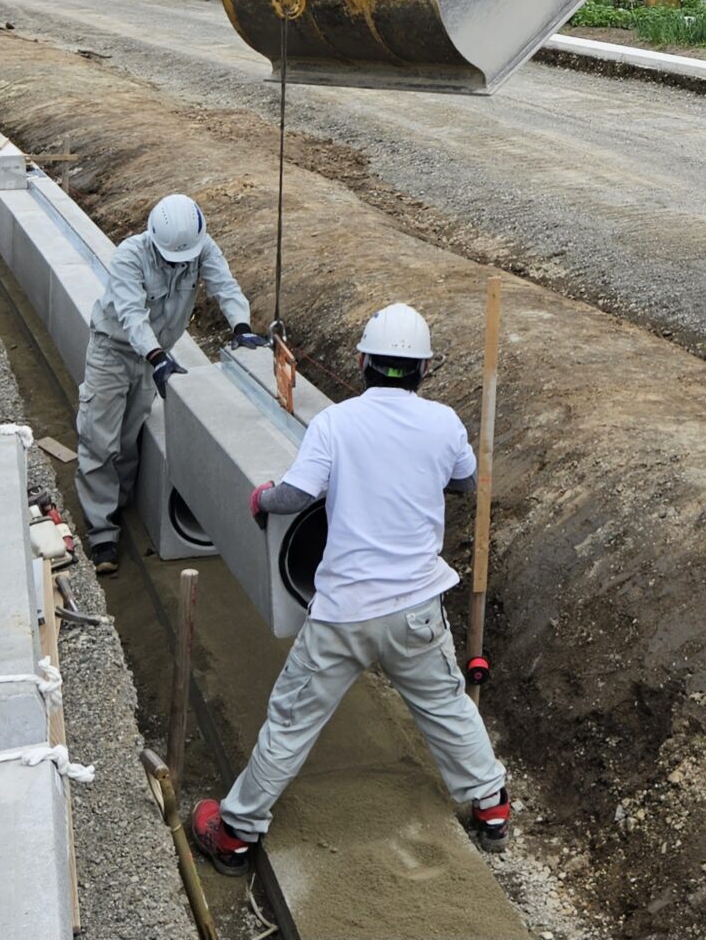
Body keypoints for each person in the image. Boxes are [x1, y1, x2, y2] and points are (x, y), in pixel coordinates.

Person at [188, 304, 512, 871]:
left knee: (292, 721)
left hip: (344, 614)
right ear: (424, 368)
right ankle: (491, 807)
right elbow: (465, 480)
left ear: (363, 361)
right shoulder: (443, 423)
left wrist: (262, 498)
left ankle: (235, 833)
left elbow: (294, 495)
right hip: (416, 610)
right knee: (445, 705)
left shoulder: (335, 423)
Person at [75, 192, 262, 575]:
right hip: (114, 351)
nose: (180, 264)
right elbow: (132, 315)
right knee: (99, 440)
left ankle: (120, 504)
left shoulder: (202, 248)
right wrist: (158, 358)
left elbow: (225, 287)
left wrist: (241, 327)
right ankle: (101, 533)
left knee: (128, 439)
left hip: (153, 357)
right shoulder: (131, 256)